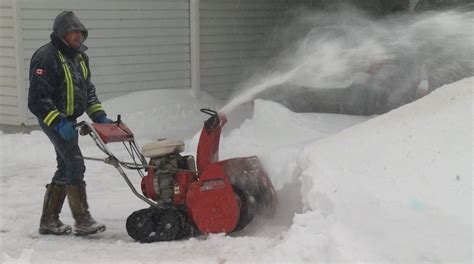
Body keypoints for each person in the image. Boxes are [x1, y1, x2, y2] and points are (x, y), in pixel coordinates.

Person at [28, 11, 113, 236]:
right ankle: (82, 219)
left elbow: (87, 90)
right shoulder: (46, 57)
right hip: (53, 119)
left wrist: (99, 115)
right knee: (75, 163)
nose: (78, 36)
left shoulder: (80, 57)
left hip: (70, 120)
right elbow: (37, 100)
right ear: (62, 34)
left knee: (66, 166)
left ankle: (48, 221)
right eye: (74, 32)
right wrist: (57, 122)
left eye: (80, 32)